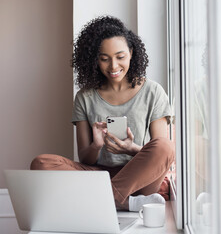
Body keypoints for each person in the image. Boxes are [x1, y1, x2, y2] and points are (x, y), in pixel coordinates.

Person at [30, 15, 174, 212]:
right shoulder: (84, 97)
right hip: (99, 175)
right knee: (41, 163)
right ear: (95, 59)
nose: (113, 66)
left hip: (139, 179)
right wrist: (96, 145)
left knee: (166, 146)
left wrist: (130, 148)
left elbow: (161, 155)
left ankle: (103, 200)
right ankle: (121, 202)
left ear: (131, 53)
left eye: (120, 57)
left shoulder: (153, 92)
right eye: (104, 59)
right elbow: (85, 159)